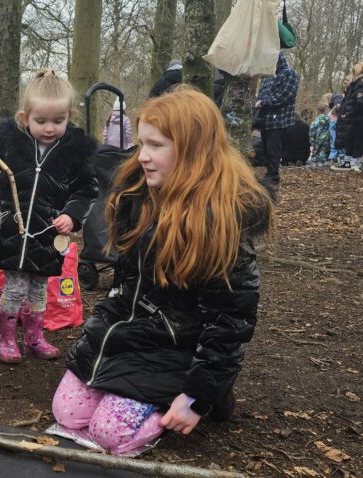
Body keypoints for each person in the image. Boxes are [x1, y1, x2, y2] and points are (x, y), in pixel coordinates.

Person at [56, 87, 273, 456]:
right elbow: (125, 288)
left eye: (156, 146)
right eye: (141, 144)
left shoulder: (220, 223)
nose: (142, 157)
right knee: (68, 413)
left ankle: (198, 399)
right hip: (130, 335)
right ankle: (127, 393)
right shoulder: (137, 199)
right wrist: (98, 332)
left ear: (191, 151)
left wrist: (198, 397)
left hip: (178, 350)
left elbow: (229, 323)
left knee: (111, 435)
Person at [0, 69, 99, 364]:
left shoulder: (74, 152)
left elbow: (86, 190)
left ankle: (34, 337)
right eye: (41, 121)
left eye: (58, 121)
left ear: (69, 116)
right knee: (15, 287)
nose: (50, 128)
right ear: (25, 117)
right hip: (13, 232)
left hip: (47, 233)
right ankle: (6, 337)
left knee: (40, 289)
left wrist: (72, 215)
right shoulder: (10, 141)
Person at [255, 52, 300, 185]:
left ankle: (273, 174)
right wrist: (259, 101)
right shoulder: (268, 77)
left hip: (279, 119)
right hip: (265, 119)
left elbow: (285, 95)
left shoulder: (289, 73)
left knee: (273, 147)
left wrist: (264, 102)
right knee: (266, 147)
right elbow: (261, 95)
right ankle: (269, 172)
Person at [333, 63, 363, 171]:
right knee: (357, 139)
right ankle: (352, 161)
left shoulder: (361, 83)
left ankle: (351, 161)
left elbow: (361, 101)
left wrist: (349, 114)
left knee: (354, 139)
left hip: (359, 117)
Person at [308, 98, 332, 168]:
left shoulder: (315, 122)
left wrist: (312, 141)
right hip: (327, 140)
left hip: (317, 140)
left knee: (316, 152)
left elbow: (312, 132)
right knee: (325, 152)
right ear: (325, 111)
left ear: (317, 111)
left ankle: (316, 163)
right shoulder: (329, 119)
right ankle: (325, 163)